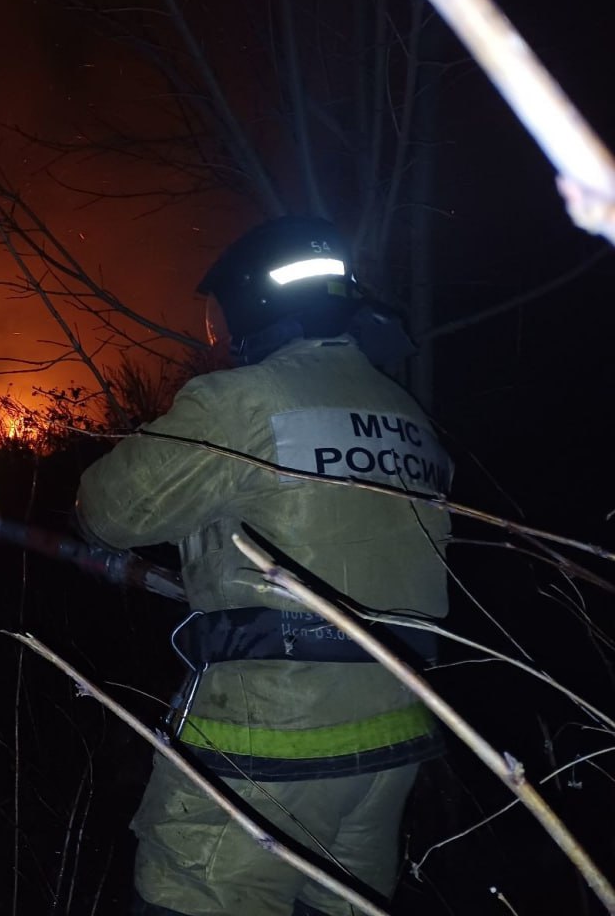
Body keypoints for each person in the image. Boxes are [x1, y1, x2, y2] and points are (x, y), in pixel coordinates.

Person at [75, 216, 452, 916]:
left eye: (219, 318)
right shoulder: (406, 414)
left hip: (268, 740)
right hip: (395, 739)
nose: (219, 337)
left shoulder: (243, 402)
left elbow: (111, 508)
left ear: (253, 304)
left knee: (190, 896)